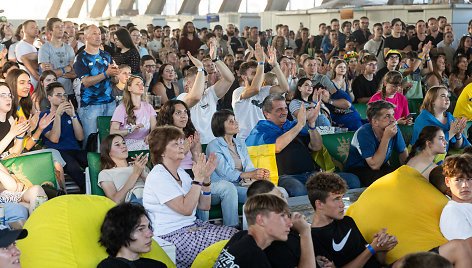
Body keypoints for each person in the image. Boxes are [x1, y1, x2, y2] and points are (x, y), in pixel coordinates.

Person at [143, 126, 237, 268]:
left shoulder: (181, 173)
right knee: (234, 243)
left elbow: (205, 206)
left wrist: (206, 180)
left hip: (193, 228)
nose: (181, 146)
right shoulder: (158, 176)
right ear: (161, 151)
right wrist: (198, 178)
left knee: (238, 237)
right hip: (173, 237)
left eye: (180, 142)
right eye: (175, 144)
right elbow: (186, 209)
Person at [246, 94, 360, 197]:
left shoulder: (292, 126)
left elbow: (316, 147)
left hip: (311, 174)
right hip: (286, 177)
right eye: (279, 109)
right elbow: (276, 147)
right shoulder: (260, 130)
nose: (285, 112)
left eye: (285, 108)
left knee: (352, 180)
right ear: (267, 114)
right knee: (298, 190)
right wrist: (300, 124)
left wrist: (311, 125)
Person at [308, 172, 398, 268]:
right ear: (319, 204)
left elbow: (378, 261)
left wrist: (381, 246)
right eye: (336, 199)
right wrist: (372, 249)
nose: (342, 204)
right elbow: (369, 252)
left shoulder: (347, 221)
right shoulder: (312, 238)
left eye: (342, 198)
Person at [214, 194, 315, 268]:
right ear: (261, 220)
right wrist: (305, 232)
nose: (290, 223)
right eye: (282, 216)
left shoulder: (239, 237)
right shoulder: (254, 256)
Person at [206, 110, 270, 227]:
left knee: (273, 190)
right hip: (222, 186)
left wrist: (259, 172)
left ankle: (265, 229)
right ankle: (232, 229)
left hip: (241, 185)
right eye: (231, 121)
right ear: (221, 125)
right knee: (237, 191)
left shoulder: (240, 143)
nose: (236, 123)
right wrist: (251, 174)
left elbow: (249, 167)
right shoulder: (213, 145)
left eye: (235, 119)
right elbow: (224, 173)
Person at [73, 25, 120, 147]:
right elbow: (86, 82)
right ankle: (90, 165)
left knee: (110, 141)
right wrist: (106, 73)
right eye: (94, 33)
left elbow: (113, 79)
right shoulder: (80, 58)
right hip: (91, 105)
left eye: (99, 33)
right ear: (85, 37)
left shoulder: (106, 56)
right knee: (91, 142)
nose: (98, 36)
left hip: (109, 102)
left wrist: (115, 74)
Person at [177, 46, 234, 144]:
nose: (203, 86)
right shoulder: (182, 97)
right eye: (199, 81)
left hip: (213, 144)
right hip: (193, 146)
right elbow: (196, 97)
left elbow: (229, 79)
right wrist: (200, 69)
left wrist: (215, 60)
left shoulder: (210, 93)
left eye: (205, 82)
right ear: (188, 84)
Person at [345, 100, 408, 186]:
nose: (393, 120)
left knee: (400, 177)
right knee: (382, 181)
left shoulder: (393, 127)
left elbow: (403, 151)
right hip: (359, 169)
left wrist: (408, 172)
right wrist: (386, 137)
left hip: (381, 166)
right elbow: (374, 166)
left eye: (393, 115)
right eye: (387, 116)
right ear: (375, 122)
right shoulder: (363, 133)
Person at [232, 44, 289, 139]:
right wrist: (261, 63)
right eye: (254, 73)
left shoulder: (265, 90)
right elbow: (255, 89)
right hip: (245, 139)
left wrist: (275, 64)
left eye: (259, 73)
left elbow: (284, 88)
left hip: (263, 138)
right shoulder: (238, 92)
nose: (259, 76)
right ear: (244, 77)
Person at [40, 82, 88, 192]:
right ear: (50, 98)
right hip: (58, 151)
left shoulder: (71, 113)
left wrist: (73, 116)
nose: (63, 98)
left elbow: (80, 137)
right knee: (74, 167)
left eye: (64, 94)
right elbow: (54, 139)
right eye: (59, 95)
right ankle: (87, 193)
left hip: (75, 149)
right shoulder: (44, 115)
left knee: (95, 161)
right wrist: (57, 115)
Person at [98, 202, 167, 268]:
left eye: (148, 227)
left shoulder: (158, 265)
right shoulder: (108, 266)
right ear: (120, 233)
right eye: (140, 229)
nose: (151, 234)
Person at [412, 86, 468, 153]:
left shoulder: (450, 118)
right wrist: (451, 133)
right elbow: (430, 148)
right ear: (432, 101)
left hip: (445, 157)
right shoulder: (423, 119)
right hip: (424, 158)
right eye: (443, 96)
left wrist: (458, 134)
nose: (447, 99)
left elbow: (456, 147)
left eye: (448, 96)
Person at [110, 76, 157, 151]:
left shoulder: (148, 107)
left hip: (146, 142)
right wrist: (130, 130)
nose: (141, 86)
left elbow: (155, 128)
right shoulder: (121, 108)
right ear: (129, 88)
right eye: (137, 84)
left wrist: (150, 135)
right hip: (126, 144)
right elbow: (112, 132)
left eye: (142, 84)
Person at [156, 100, 201, 176]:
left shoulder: (192, 135)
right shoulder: (162, 137)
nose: (183, 116)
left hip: (194, 173)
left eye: (185, 112)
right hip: (175, 175)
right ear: (169, 116)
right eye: (178, 113)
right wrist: (183, 151)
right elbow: (163, 167)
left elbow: (200, 165)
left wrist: (194, 151)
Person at [98, 135, 148, 204]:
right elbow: (115, 201)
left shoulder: (139, 166)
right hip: (134, 201)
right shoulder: (106, 173)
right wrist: (135, 174)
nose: (123, 146)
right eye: (117, 145)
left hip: (151, 196)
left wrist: (143, 175)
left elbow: (158, 190)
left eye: (124, 143)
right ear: (109, 152)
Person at [38, 18, 76, 99]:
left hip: (67, 92)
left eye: (62, 26)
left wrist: (56, 71)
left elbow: (74, 73)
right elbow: (47, 75)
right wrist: (66, 68)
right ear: (50, 31)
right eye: (57, 27)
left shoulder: (69, 48)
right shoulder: (44, 48)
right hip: (51, 94)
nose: (61, 29)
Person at [327, 59, 364, 130]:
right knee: (353, 124)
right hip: (337, 112)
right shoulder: (330, 84)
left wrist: (350, 89)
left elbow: (352, 99)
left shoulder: (347, 82)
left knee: (359, 122)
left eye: (344, 67)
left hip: (349, 109)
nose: (342, 69)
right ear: (335, 69)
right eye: (340, 67)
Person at [15, 20, 39, 87]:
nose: (36, 29)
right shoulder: (22, 46)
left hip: (36, 84)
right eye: (32, 27)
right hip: (30, 85)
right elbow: (36, 66)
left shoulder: (32, 46)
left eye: (37, 27)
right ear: (24, 31)